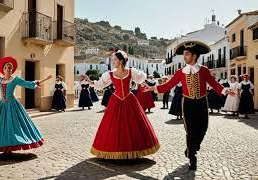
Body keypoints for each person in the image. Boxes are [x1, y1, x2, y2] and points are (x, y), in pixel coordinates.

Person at [145, 41, 230, 170]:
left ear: (194, 56)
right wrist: (152, 88)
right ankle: (192, 156)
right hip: (188, 103)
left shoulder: (204, 70)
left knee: (203, 128)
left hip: (201, 102)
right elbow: (168, 85)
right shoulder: (180, 72)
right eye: (184, 54)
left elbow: (214, 83)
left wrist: (226, 91)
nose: (184, 56)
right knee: (190, 130)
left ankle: (192, 147)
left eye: (187, 54)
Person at [88, 49, 160, 159]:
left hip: (129, 99)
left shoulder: (131, 71)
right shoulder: (110, 74)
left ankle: (134, 149)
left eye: (115, 59)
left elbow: (141, 78)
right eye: (113, 60)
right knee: (114, 125)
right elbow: (99, 85)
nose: (113, 62)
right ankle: (115, 149)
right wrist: (91, 82)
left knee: (133, 124)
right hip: (116, 100)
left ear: (121, 61)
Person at [0, 56, 52, 153]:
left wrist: (44, 80)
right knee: (0, 126)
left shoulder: (15, 80)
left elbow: (28, 84)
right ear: (3, 70)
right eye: (6, 68)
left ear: (12, 70)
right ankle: (4, 146)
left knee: (13, 126)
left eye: (10, 68)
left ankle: (11, 146)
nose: (8, 69)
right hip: (2, 105)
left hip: (13, 104)